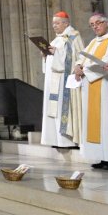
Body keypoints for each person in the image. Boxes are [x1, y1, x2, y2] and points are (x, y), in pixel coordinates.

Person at [74, 13, 108, 168]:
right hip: (92, 88)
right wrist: (77, 66)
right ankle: (102, 156)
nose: (95, 26)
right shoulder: (94, 41)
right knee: (98, 122)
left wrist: (85, 70)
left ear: (106, 23)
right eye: (92, 24)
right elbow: (82, 58)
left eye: (98, 23)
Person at [41, 11, 84, 147]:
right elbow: (51, 60)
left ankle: (67, 141)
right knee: (53, 110)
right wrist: (45, 55)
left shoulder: (73, 36)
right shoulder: (56, 39)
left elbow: (76, 56)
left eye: (57, 23)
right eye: (53, 23)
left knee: (62, 110)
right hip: (53, 81)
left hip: (64, 81)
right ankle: (56, 140)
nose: (54, 26)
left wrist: (57, 53)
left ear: (66, 23)